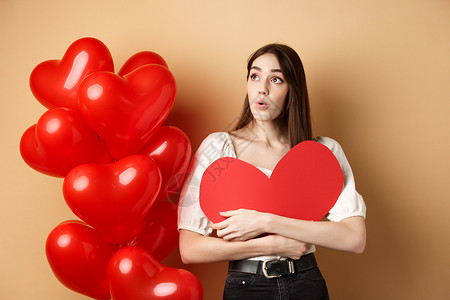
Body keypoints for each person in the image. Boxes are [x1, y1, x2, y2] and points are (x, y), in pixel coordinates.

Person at [177, 43, 367, 300]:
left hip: (306, 284)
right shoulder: (219, 148)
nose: (262, 88)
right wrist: (270, 244)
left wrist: (265, 221)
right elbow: (190, 249)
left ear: (293, 90)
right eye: (255, 76)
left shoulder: (323, 153)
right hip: (246, 286)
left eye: (276, 79)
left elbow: (354, 239)